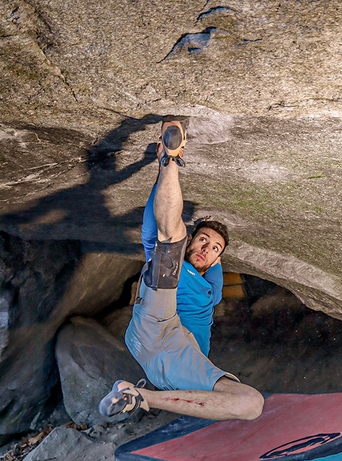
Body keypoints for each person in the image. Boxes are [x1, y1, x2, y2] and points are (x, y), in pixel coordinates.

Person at [99, 117, 264, 422]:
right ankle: (170, 158)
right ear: (192, 241)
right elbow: (167, 221)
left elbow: (210, 252)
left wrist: (212, 245)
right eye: (202, 240)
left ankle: (140, 397)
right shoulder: (171, 250)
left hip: (182, 359)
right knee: (168, 243)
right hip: (158, 319)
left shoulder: (211, 288)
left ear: (218, 262)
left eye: (215, 249)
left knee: (250, 406)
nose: (206, 249)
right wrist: (167, 156)